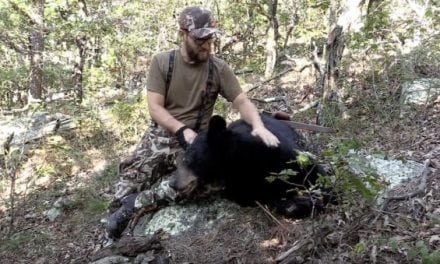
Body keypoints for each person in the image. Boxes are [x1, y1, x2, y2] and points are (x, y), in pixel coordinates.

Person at [104, 5, 280, 239]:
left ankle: (138, 203)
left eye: (209, 39)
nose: (206, 45)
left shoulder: (218, 68)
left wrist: (258, 125)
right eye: (199, 39)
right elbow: (155, 107)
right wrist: (180, 129)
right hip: (163, 134)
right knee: (128, 182)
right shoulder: (163, 62)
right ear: (183, 34)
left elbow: (242, 102)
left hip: (198, 139)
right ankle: (113, 226)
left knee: (201, 185)